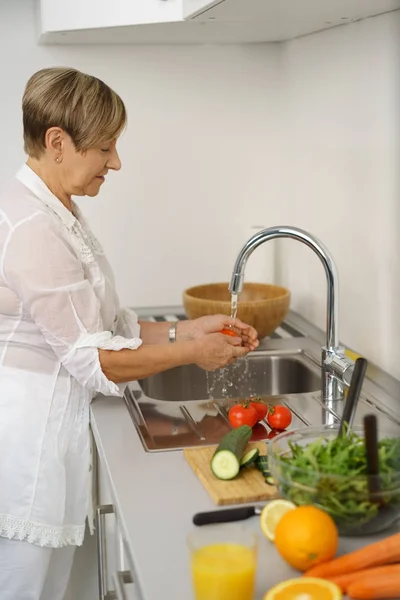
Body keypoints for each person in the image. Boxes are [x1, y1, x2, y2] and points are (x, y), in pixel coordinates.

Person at [0, 67, 259, 600]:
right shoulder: (33, 229)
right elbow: (92, 358)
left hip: (53, 436)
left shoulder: (58, 212)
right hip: (30, 450)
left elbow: (106, 328)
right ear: (58, 143)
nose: (115, 162)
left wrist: (188, 328)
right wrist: (193, 351)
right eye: (105, 147)